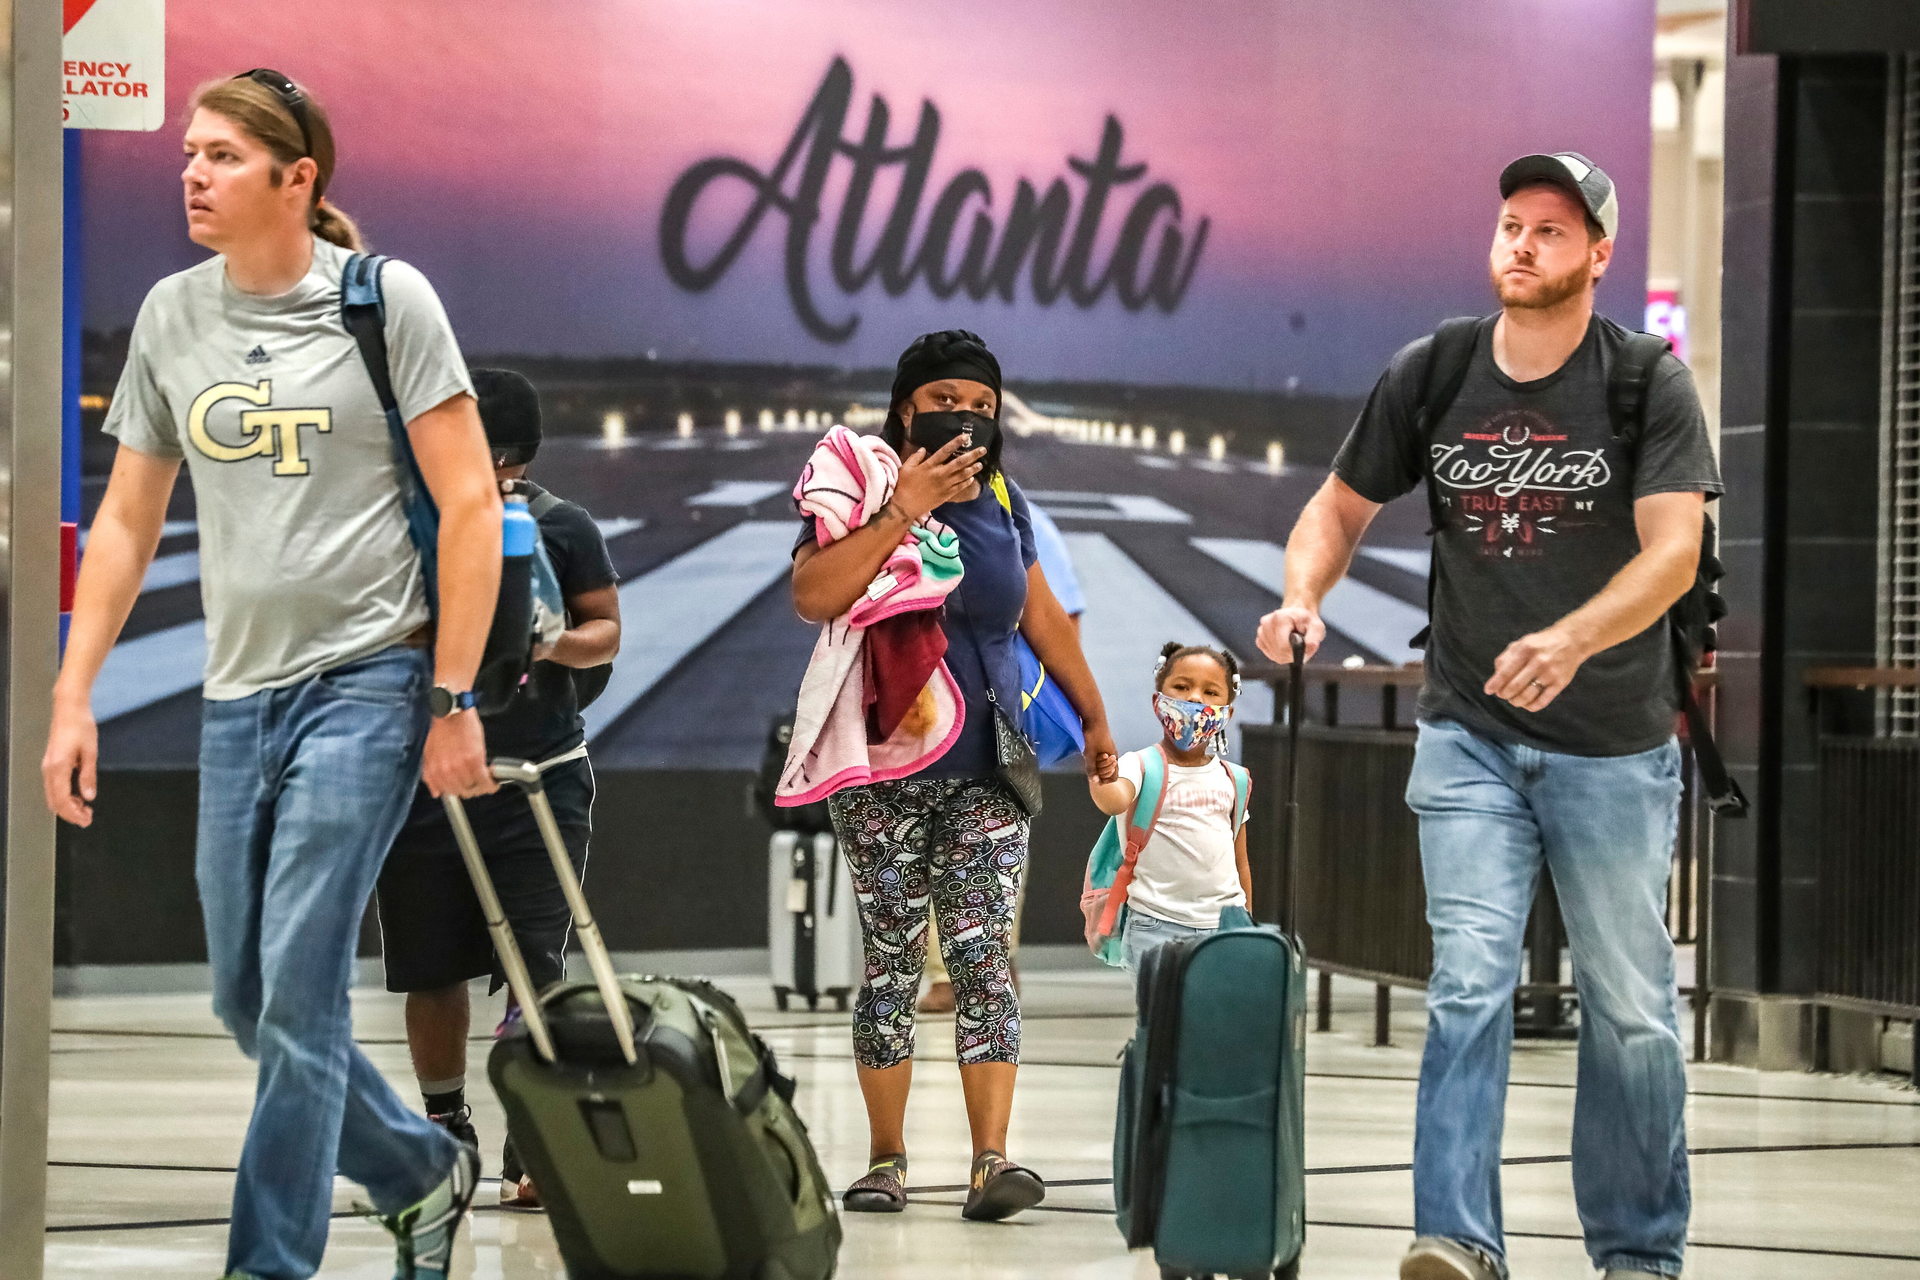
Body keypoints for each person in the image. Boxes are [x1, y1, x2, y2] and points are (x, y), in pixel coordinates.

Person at [40, 71, 500, 1280]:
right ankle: (416, 1168)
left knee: (297, 996)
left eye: (226, 156)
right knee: (247, 1003)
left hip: (369, 682)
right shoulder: (169, 316)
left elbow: (468, 503)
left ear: (300, 180)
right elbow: (131, 522)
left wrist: (451, 694)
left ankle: (270, 1263)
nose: (193, 173)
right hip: (238, 698)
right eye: (190, 152)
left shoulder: (384, 301)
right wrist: (72, 691)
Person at [1256, 153, 1721, 1280]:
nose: (1522, 243)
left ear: (1599, 255)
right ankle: (1457, 1236)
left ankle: (1638, 1250)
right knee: (1469, 977)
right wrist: (1301, 594)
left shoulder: (1645, 381)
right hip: (1468, 733)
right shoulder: (1439, 368)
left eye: (1552, 231)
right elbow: (1338, 502)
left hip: (1612, 742)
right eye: (1512, 224)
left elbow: (1674, 554)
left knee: (1633, 1010)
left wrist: (1572, 637)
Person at [789, 329, 1118, 1221]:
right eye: (944, 400)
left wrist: (1092, 715)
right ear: (906, 409)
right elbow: (815, 594)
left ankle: (991, 1162)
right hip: (882, 768)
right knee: (893, 963)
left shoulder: (1005, 499)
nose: (965, 416)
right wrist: (905, 508)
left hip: (988, 768)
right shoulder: (859, 479)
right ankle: (886, 1159)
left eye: (981, 403)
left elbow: (1040, 614)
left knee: (982, 962)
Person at [374, 367, 620, 1209]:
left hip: (540, 774)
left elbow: (606, 632)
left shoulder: (563, 527)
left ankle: (536, 1137)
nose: (494, 475)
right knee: (427, 965)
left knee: (535, 965)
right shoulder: (408, 524)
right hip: (425, 779)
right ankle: (443, 1124)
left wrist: (552, 644)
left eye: (506, 460)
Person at [918, 500, 1085, 1015]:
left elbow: (1063, 617)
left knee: (999, 838)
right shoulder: (906, 509)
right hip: (926, 703)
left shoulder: (1017, 516)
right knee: (927, 838)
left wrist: (1063, 701)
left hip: (1003, 705)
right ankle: (952, 966)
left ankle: (985, 961)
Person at [1087, 643, 1254, 978]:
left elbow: (1240, 861)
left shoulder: (1234, 779)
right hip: (1154, 926)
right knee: (1163, 1026)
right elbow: (1115, 799)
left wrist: (1246, 923)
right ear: (1157, 702)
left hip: (1226, 926)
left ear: (1227, 713)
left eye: (1210, 691)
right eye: (1181, 687)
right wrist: (1099, 776)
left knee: (1216, 1024)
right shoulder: (1140, 765)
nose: (1194, 698)